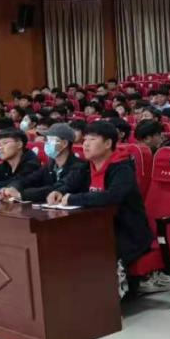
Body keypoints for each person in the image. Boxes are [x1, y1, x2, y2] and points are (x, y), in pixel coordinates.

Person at [47, 122, 153, 300]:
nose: (86, 144)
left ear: (108, 143)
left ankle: (105, 300)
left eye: (92, 139)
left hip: (126, 230)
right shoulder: (86, 167)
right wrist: (59, 192)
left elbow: (112, 196)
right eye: (85, 139)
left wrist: (73, 198)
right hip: (95, 225)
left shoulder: (122, 168)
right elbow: (67, 184)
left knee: (95, 247)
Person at [0, 123, 89, 203]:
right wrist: (12, 188)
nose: (46, 143)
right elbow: (28, 179)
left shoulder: (79, 167)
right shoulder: (50, 165)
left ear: (64, 143)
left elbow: (54, 188)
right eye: (45, 140)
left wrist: (20, 195)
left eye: (49, 140)